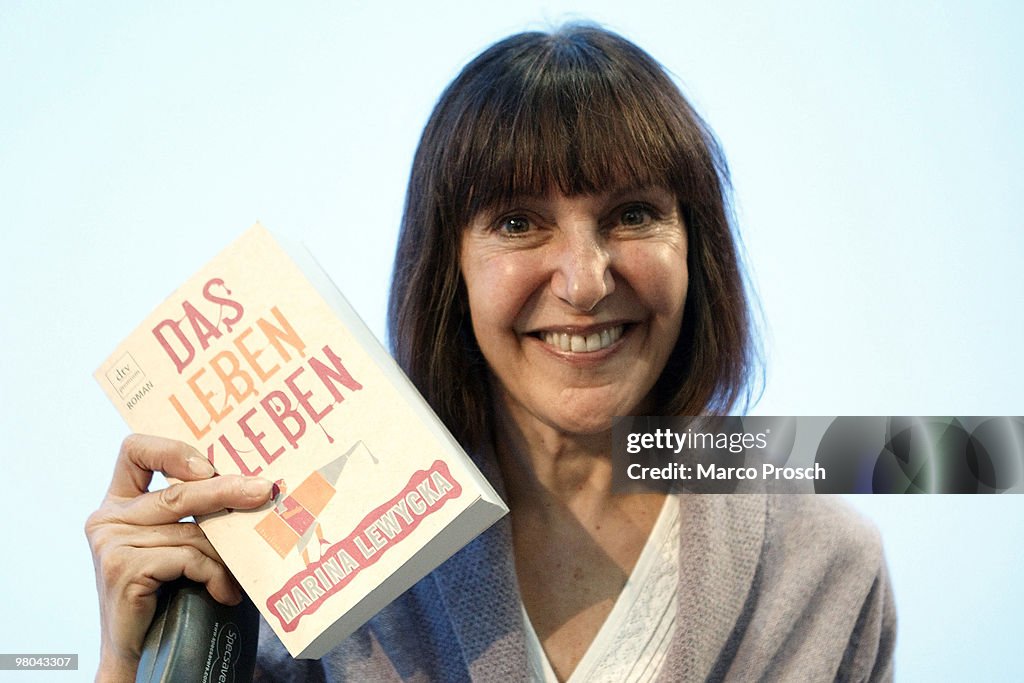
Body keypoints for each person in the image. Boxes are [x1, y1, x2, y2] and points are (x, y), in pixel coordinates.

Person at [87, 24, 895, 682]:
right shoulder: (318, 558)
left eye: (634, 214)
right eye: (517, 221)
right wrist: (132, 661)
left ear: (698, 251)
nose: (584, 281)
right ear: (451, 270)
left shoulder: (824, 566)